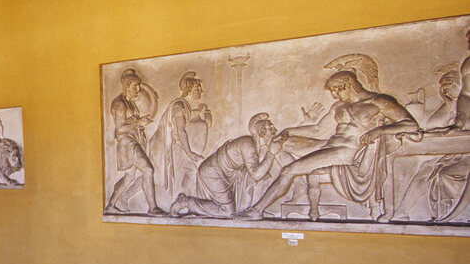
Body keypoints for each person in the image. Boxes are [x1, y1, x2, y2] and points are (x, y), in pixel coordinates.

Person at [235, 69, 417, 220]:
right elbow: (317, 129)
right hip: (329, 145)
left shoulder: (379, 102)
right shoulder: (339, 107)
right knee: (280, 143)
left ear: (349, 85)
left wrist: (379, 131)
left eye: (337, 91)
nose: (335, 95)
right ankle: (298, 185)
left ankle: (257, 210)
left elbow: (411, 124)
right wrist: (287, 131)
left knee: (289, 170)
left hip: (347, 150)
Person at [171, 113, 285, 218]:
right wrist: (271, 153)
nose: (274, 132)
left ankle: (255, 209)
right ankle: (186, 202)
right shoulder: (247, 143)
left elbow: (260, 170)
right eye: (271, 130)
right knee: (227, 211)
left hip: (228, 174)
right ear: (262, 132)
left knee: (263, 178)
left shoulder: (256, 145)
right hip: (213, 172)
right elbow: (256, 174)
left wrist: (269, 151)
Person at [105, 69, 165, 215]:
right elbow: (120, 128)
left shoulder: (128, 103)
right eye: (135, 86)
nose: (138, 90)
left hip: (132, 141)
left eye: (139, 86)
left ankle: (110, 205)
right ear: (126, 86)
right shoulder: (120, 104)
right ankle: (152, 208)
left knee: (130, 177)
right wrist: (139, 122)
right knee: (148, 169)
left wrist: (139, 122)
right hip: (127, 143)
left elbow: (130, 122)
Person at [148, 71, 211, 202]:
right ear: (189, 89)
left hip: (175, 146)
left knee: (190, 171)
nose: (201, 91)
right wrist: (190, 153)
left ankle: (186, 203)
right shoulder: (179, 106)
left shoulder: (184, 106)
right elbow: (181, 130)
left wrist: (203, 112)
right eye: (198, 88)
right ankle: (176, 203)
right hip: (165, 146)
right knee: (169, 175)